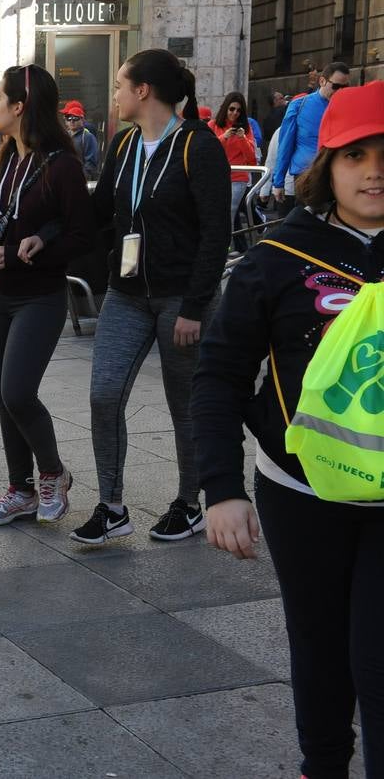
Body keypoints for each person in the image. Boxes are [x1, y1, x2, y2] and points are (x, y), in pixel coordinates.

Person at [193, 82, 384, 779]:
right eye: (356, 153)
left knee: (377, 658)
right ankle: (323, 765)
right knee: (319, 644)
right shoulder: (275, 259)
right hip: (300, 493)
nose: (374, 170)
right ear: (325, 163)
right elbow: (217, 375)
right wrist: (220, 489)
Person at [74, 49, 231, 546]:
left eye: (121, 84)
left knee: (185, 404)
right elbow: (98, 211)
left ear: (144, 91)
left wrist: (193, 307)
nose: (116, 94)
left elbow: (215, 234)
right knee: (104, 394)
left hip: (181, 297)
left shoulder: (198, 146)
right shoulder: (123, 145)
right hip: (127, 292)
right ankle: (112, 506)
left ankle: (189, 502)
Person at [0, 66, 94, 527]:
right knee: (5, 396)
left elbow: (83, 236)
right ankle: (18, 488)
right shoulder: (1, 157)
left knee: (18, 391)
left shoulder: (61, 164)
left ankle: (53, 474)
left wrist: (39, 248)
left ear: (20, 106)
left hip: (39, 296)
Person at [274, 61, 351, 209]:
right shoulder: (299, 105)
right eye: (335, 86)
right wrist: (278, 181)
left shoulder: (348, 107)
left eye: (345, 87)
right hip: (307, 176)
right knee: (308, 224)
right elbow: (285, 144)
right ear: (322, 81)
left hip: (338, 176)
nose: (340, 91)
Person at [209, 92, 259, 235]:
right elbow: (207, 150)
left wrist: (242, 138)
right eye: (232, 109)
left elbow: (251, 159)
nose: (235, 113)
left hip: (238, 178)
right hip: (217, 176)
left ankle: (225, 248)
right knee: (214, 212)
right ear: (225, 108)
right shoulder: (213, 125)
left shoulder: (246, 128)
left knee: (229, 212)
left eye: (238, 110)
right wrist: (223, 137)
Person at [61, 100, 100, 182]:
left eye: (75, 118)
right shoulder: (64, 136)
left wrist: (78, 179)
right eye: (68, 117)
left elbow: (91, 164)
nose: (71, 121)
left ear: (82, 119)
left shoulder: (87, 137)